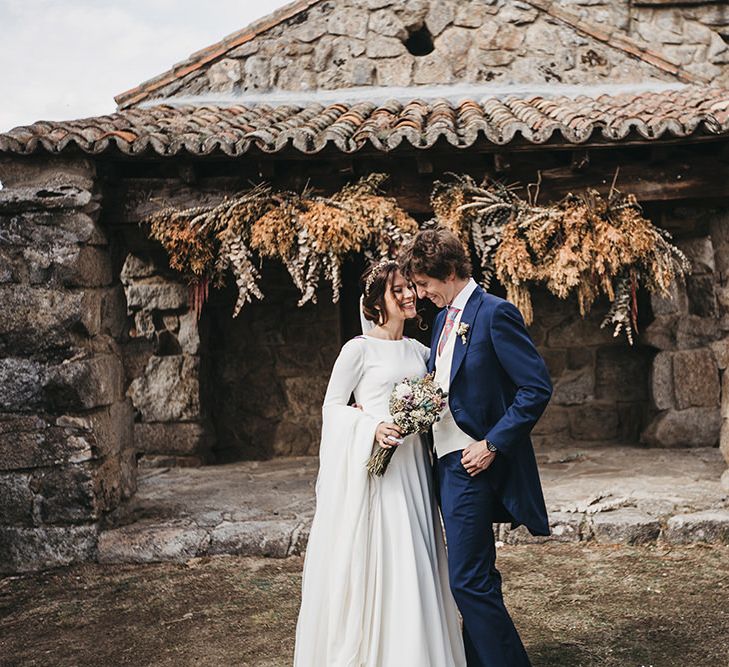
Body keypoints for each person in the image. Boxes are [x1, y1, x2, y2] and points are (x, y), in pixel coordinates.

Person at [293, 258, 466, 667]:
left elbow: (441, 393)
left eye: (410, 287)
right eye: (398, 290)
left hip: (415, 470)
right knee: (389, 555)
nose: (409, 295)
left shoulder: (420, 350)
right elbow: (332, 408)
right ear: (376, 303)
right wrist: (371, 427)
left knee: (418, 555)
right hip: (380, 474)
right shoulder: (358, 349)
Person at [399, 227, 553, 667]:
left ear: (449, 272)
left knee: (467, 580)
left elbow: (536, 388)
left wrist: (492, 443)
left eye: (425, 284)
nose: (422, 295)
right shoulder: (445, 321)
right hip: (443, 464)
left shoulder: (495, 313)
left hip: (474, 462)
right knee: (474, 576)